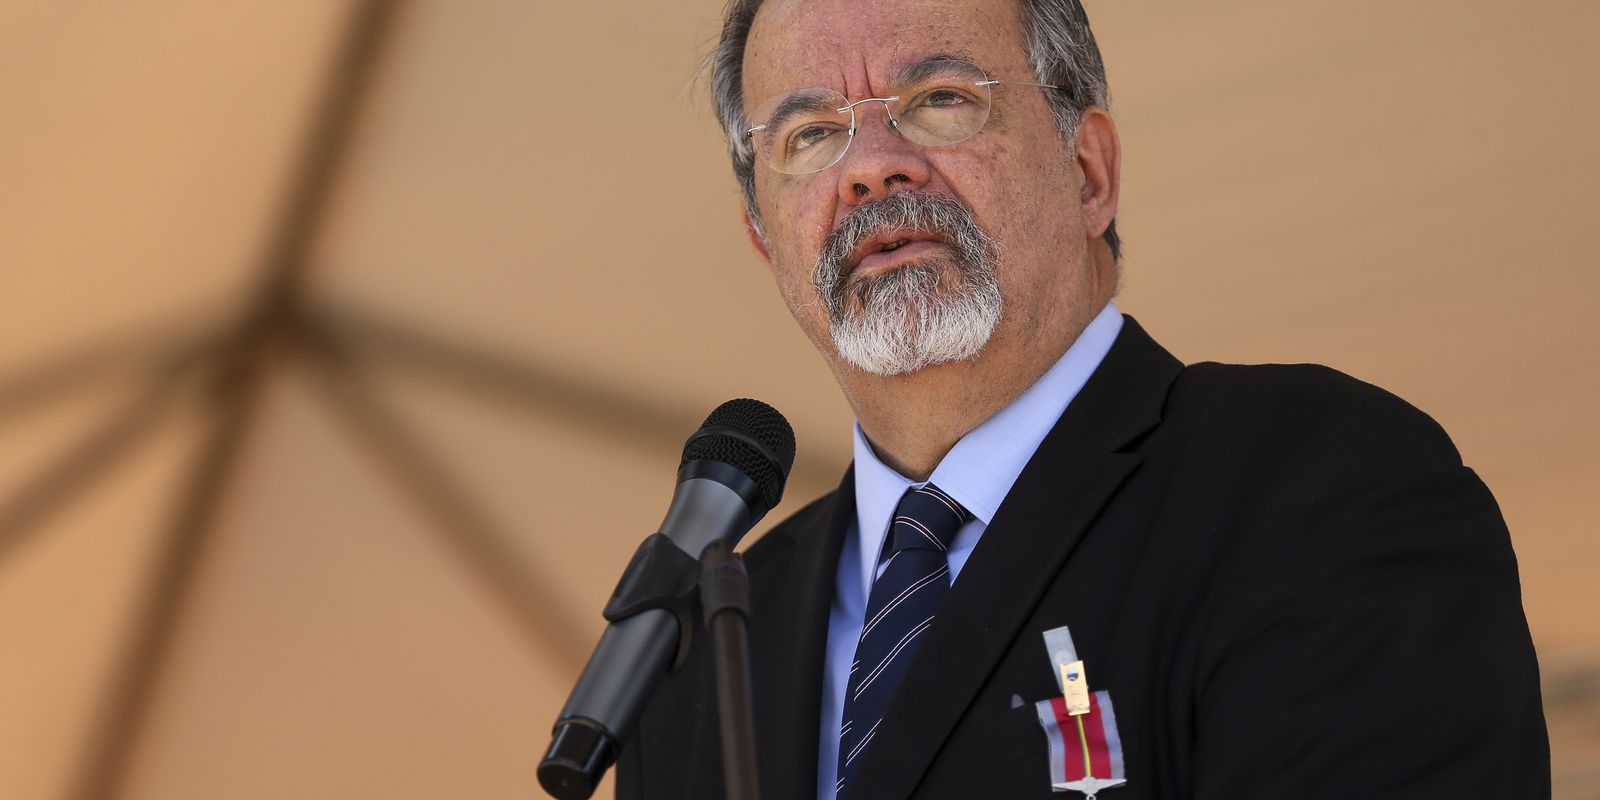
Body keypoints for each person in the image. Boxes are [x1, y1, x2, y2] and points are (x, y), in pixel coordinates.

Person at [617, 0, 1549, 797]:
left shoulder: (1318, 482)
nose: (872, 167)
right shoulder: (695, 661)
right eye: (811, 135)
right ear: (765, 240)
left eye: (939, 100)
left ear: (1088, 170)